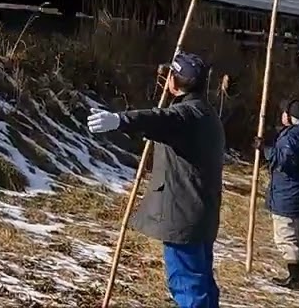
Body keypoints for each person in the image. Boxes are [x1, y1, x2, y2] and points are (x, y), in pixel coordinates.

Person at [87, 52, 224, 308]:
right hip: (199, 213)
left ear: (174, 81)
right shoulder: (205, 113)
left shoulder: (187, 116)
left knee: (188, 285)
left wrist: (119, 120)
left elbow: (158, 119)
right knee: (201, 283)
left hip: (184, 216)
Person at [259, 98, 299, 290]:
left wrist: (265, 150)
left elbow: (286, 161)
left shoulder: (291, 138)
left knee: (285, 236)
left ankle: (296, 278)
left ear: (290, 116)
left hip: (287, 194)